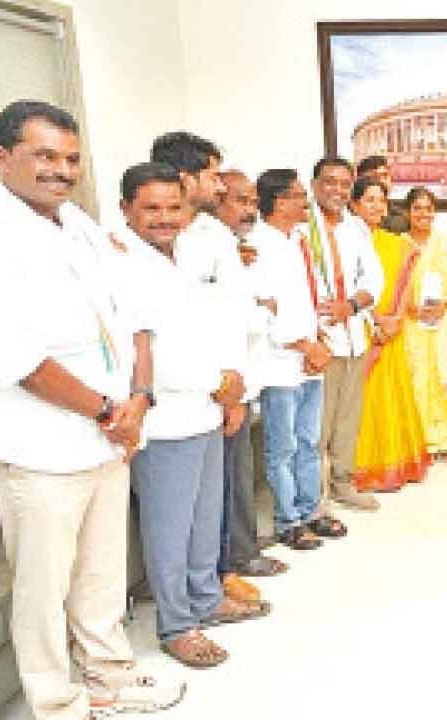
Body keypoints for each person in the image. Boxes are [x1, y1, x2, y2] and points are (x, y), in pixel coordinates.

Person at [0, 100, 183, 718]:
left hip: (107, 436)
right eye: (44, 156)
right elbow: (20, 359)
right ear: (2, 157)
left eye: (71, 159)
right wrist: (111, 410)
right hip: (39, 448)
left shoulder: (78, 225)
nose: (61, 170)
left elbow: (130, 313)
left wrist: (138, 399)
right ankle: (56, 702)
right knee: (43, 588)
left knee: (101, 575)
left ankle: (109, 676)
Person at [118, 162, 268, 668]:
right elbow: (146, 351)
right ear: (126, 210)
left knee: (206, 518)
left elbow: (220, 320)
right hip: (163, 419)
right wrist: (217, 383)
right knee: (170, 527)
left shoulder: (192, 253)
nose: (164, 218)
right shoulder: (121, 265)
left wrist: (233, 383)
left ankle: (206, 598)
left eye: (173, 207)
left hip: (209, 407)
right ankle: (177, 624)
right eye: (151, 208)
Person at [251, 169, 335, 550]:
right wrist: (305, 346)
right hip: (279, 363)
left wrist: (319, 340)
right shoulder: (256, 246)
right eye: (299, 196)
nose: (306, 202)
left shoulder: (299, 241)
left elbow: (310, 298)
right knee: (282, 448)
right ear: (279, 201)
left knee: (309, 441)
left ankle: (311, 511)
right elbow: (266, 311)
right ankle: (288, 520)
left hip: (309, 360)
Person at [212, 169, 287, 592]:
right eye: (240, 200)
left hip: (242, 380)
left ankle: (240, 551)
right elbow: (235, 316)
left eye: (253, 201)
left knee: (237, 475)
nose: (250, 210)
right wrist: (261, 307)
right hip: (222, 386)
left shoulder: (237, 247)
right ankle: (232, 560)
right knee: (227, 480)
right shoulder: (206, 247)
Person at [304, 157, 384, 513]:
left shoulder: (356, 228)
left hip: (353, 334)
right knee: (317, 424)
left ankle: (343, 483)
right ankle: (314, 495)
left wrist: (350, 306)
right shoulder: (301, 227)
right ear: (314, 185)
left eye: (344, 184)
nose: (337, 190)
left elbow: (374, 280)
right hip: (320, 340)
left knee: (347, 419)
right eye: (330, 182)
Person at [350, 175, 430, 490]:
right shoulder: (343, 242)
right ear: (354, 204)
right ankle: (360, 469)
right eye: (369, 200)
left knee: (391, 398)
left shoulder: (397, 244)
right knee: (362, 402)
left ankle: (393, 466)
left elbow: (405, 284)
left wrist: (395, 319)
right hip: (360, 330)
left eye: (381, 200)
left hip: (392, 331)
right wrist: (375, 320)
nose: (376, 206)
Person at [401, 186, 447, 461]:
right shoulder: (399, 245)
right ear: (407, 212)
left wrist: (446, 303)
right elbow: (392, 284)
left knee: (446, 375)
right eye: (417, 208)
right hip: (412, 322)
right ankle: (423, 442)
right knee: (417, 377)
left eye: (428, 209)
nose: (423, 214)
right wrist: (408, 306)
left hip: (445, 321)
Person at [355, 154, 409, 233]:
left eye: (385, 175)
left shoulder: (405, 215)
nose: (381, 181)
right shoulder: (347, 217)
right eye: (374, 177)